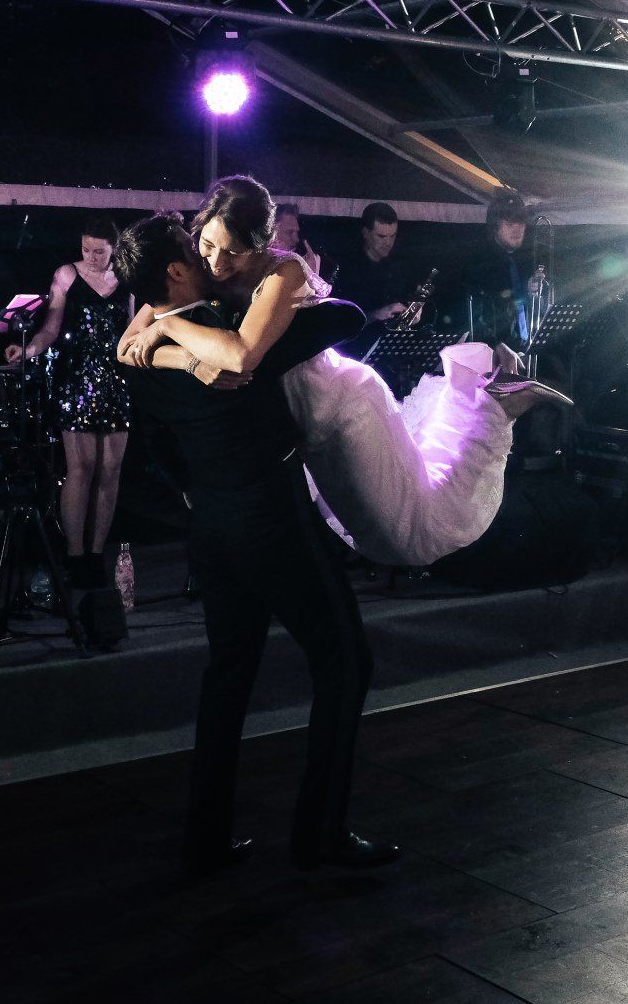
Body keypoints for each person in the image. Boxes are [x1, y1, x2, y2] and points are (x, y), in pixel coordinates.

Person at [112, 212, 395, 873]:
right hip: (272, 519)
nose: (212, 258)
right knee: (346, 661)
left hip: (211, 528)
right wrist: (290, 275)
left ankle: (205, 838)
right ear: (177, 270)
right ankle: (320, 836)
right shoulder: (231, 338)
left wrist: (164, 325)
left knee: (229, 675)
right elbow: (348, 319)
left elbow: (158, 444)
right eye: (196, 250)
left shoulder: (139, 352)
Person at [120, 175, 566, 567]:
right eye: (208, 245)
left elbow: (240, 356)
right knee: (379, 530)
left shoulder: (284, 271)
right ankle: (491, 397)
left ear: (258, 243)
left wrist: (169, 326)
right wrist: (186, 356)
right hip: (307, 424)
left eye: (232, 252)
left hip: (345, 408)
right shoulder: (202, 264)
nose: (216, 261)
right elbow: (126, 347)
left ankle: (497, 405)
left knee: (410, 531)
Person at [5, 215, 132, 648]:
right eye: (87, 248)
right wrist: (31, 348)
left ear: (114, 248)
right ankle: (75, 554)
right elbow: (52, 325)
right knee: (81, 467)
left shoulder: (126, 276)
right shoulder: (66, 274)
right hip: (77, 376)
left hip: (116, 378)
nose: (92, 256)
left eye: (100, 250)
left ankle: (96, 553)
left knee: (110, 469)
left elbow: (134, 329)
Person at [452, 187, 547, 349]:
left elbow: (527, 310)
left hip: (522, 347)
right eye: (509, 223)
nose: (517, 229)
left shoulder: (524, 261)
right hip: (494, 353)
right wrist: (497, 345)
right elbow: (470, 317)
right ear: (495, 226)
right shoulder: (480, 263)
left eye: (521, 223)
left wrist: (534, 294)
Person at [330, 202, 415, 358]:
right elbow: (340, 324)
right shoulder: (346, 268)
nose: (388, 243)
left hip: (389, 354)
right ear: (365, 233)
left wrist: (412, 311)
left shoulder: (397, 267)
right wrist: (376, 314)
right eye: (381, 236)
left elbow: (405, 301)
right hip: (353, 355)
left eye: (392, 236)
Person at [270, 202, 329, 282]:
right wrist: (310, 276)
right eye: (289, 232)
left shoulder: (291, 265)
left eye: (296, 232)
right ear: (270, 232)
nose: (296, 239)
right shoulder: (259, 268)